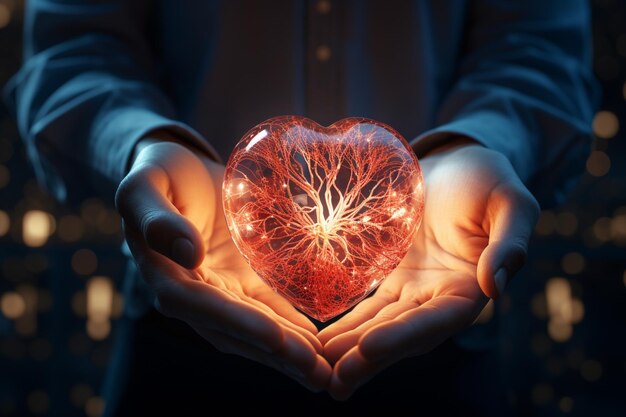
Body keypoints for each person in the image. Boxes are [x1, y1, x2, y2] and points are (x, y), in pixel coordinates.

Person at [4, 0, 597, 415]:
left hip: (442, 340)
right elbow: (75, 47)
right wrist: (146, 142)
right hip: (184, 328)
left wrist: (473, 145)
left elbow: (538, 47)